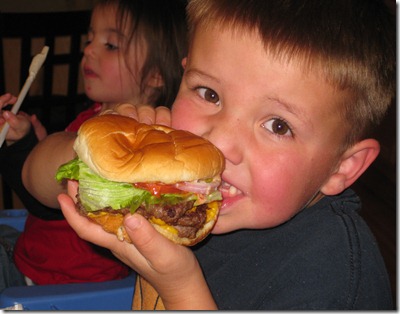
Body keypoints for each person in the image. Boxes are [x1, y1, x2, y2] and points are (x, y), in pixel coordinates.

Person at [24, 0, 395, 310]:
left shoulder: (335, 278)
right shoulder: (174, 161)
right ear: (183, 76)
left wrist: (181, 288)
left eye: (278, 126)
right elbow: (33, 178)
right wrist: (96, 148)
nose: (220, 142)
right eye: (209, 94)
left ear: (343, 168)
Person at [1, 0, 187, 289]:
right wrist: (29, 141)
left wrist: (24, 152)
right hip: (29, 254)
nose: (88, 50)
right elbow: (44, 189)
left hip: (56, 281)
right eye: (90, 39)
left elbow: (47, 203)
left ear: (156, 74)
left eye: (111, 45)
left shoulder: (137, 147)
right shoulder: (95, 115)